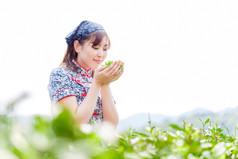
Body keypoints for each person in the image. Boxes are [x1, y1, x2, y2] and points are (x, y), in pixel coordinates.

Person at [48, 20, 123, 128]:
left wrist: (105, 84)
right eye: (95, 47)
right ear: (77, 46)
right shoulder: (60, 74)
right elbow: (74, 124)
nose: (101, 54)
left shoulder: (98, 76)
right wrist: (97, 83)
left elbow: (112, 125)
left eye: (105, 49)